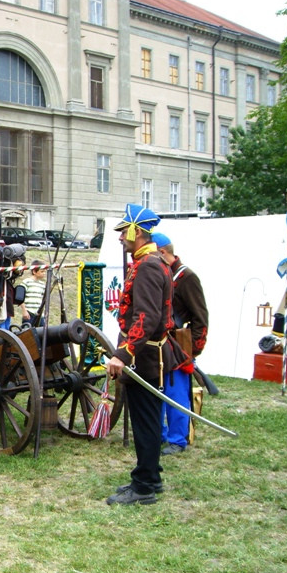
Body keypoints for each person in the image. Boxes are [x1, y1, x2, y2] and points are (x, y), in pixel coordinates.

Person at [105, 204, 176, 506]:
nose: (121, 237)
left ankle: (145, 485)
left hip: (145, 357)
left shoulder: (147, 265)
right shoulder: (151, 261)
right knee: (147, 421)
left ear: (136, 232)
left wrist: (123, 354)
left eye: (124, 232)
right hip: (149, 355)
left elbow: (146, 317)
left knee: (145, 422)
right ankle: (150, 475)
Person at [152, 232, 209, 456]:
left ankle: (177, 438)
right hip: (157, 345)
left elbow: (200, 317)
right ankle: (160, 434)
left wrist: (192, 350)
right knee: (158, 391)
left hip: (177, 346)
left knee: (175, 394)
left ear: (163, 253)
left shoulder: (187, 277)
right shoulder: (159, 274)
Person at [21, 260, 47, 327]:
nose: (44, 273)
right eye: (42, 271)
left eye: (44, 271)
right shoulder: (26, 282)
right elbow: (20, 298)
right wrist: (24, 311)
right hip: (29, 313)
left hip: (39, 314)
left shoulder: (42, 285)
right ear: (34, 271)